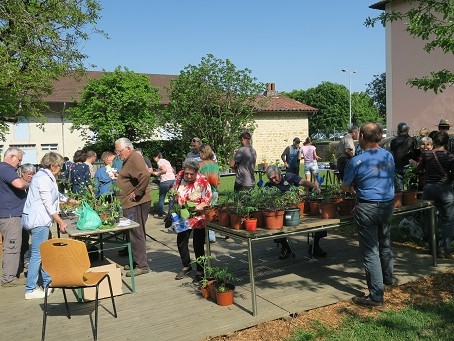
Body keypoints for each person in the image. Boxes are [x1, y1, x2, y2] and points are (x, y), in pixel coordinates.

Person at [342, 123, 395, 307]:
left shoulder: (357, 161)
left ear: (362, 137)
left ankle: (376, 296)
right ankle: (388, 279)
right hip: (388, 205)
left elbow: (345, 186)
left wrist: (357, 192)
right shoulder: (388, 156)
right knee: (385, 242)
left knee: (370, 252)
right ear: (379, 137)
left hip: (367, 208)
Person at [22, 152, 77, 299]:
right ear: (53, 166)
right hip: (39, 221)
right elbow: (48, 204)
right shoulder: (43, 179)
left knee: (44, 253)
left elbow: (55, 194)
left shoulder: (45, 177)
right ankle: (30, 289)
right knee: (37, 255)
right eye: (60, 166)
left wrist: (68, 199)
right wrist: (61, 222)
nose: (61, 169)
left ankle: (48, 282)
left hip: (39, 220)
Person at [264, 165, 324, 258]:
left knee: (320, 220)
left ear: (278, 173)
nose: (273, 180)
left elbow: (303, 182)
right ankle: (285, 247)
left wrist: (315, 187)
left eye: (274, 177)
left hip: (296, 211)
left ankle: (315, 246)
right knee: (275, 224)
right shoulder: (268, 186)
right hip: (281, 214)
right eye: (270, 179)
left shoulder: (288, 177)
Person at [115, 138, 151, 277]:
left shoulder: (134, 157)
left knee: (137, 233)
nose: (118, 154)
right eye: (117, 152)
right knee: (134, 233)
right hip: (131, 203)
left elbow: (145, 175)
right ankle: (137, 261)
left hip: (137, 203)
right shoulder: (129, 159)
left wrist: (137, 192)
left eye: (120, 151)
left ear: (128, 148)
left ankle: (142, 265)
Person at [416, 131, 454, 259]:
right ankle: (445, 249)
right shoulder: (450, 157)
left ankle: (433, 248)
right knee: (448, 220)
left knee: (430, 219)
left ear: (434, 141)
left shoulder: (427, 155)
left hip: (429, 188)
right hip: (445, 189)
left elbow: (419, 169)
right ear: (446, 142)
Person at [173, 158, 212, 280]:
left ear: (196, 172)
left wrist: (196, 208)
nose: (188, 176)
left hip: (198, 216)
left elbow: (207, 200)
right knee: (181, 241)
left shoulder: (203, 181)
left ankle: (201, 270)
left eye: (191, 174)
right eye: (186, 173)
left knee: (198, 244)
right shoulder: (179, 176)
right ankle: (186, 266)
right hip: (182, 215)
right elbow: (174, 190)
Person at [0, 147, 30, 287]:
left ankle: (12, 272)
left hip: (11, 213)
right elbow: (19, 184)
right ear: (11, 157)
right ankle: (8, 278)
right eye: (19, 160)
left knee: (15, 244)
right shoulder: (5, 168)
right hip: (10, 215)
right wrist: (28, 183)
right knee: (12, 246)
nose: (19, 163)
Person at [199, 144, 220, 243]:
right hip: (215, 191)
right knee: (212, 215)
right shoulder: (215, 164)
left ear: (203, 152)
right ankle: (212, 235)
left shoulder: (201, 165)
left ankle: (206, 235)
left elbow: (198, 180)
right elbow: (218, 179)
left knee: (204, 214)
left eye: (200, 152)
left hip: (205, 192)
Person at [390, 122, 419, 191]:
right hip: (409, 167)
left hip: (397, 166)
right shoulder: (412, 140)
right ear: (407, 130)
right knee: (410, 191)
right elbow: (417, 153)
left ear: (398, 130)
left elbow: (392, 153)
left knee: (399, 191)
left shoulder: (393, 141)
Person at [18, 163, 36, 270]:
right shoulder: (18, 184)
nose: (31, 176)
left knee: (32, 238)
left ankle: (28, 259)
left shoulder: (33, 184)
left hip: (32, 215)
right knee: (23, 239)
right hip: (20, 215)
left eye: (33, 174)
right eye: (29, 174)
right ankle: (22, 261)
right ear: (23, 173)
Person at [151, 152, 175, 218]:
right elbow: (172, 170)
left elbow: (164, 170)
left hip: (165, 181)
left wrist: (157, 173)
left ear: (156, 157)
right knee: (171, 197)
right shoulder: (166, 161)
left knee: (162, 197)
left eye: (153, 158)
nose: (153, 159)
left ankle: (160, 214)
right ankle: (170, 214)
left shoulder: (159, 161)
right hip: (172, 180)